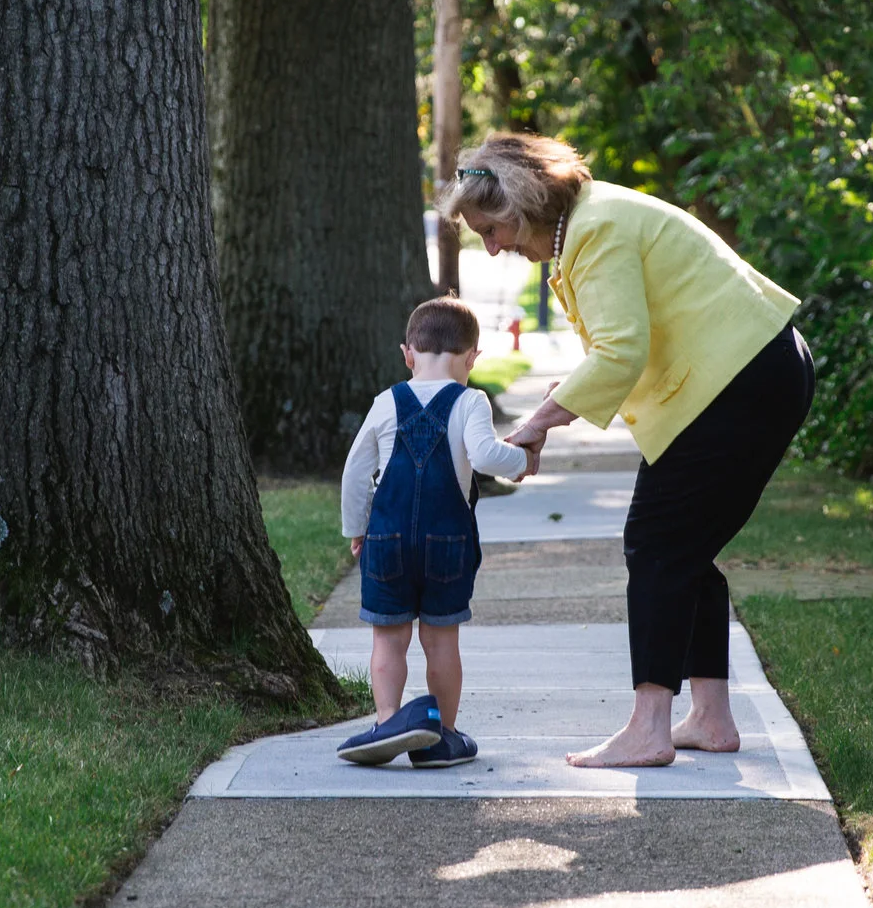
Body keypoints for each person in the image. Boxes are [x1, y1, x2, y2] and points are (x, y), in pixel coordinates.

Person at [444, 133, 812, 768]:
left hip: (740, 381)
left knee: (657, 543)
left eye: (492, 229)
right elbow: (624, 339)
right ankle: (712, 720)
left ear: (524, 203)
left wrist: (536, 423)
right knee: (685, 551)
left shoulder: (596, 230)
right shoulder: (587, 225)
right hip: (747, 375)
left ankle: (649, 728)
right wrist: (564, 396)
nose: (493, 246)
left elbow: (621, 351)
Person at [333, 296, 530, 766]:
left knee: (388, 638)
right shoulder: (470, 400)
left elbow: (355, 472)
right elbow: (484, 456)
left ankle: (387, 724)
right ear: (472, 357)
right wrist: (522, 461)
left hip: (388, 541)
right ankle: (442, 735)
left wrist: (356, 528)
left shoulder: (386, 402)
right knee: (441, 641)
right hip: (447, 544)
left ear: (408, 354)